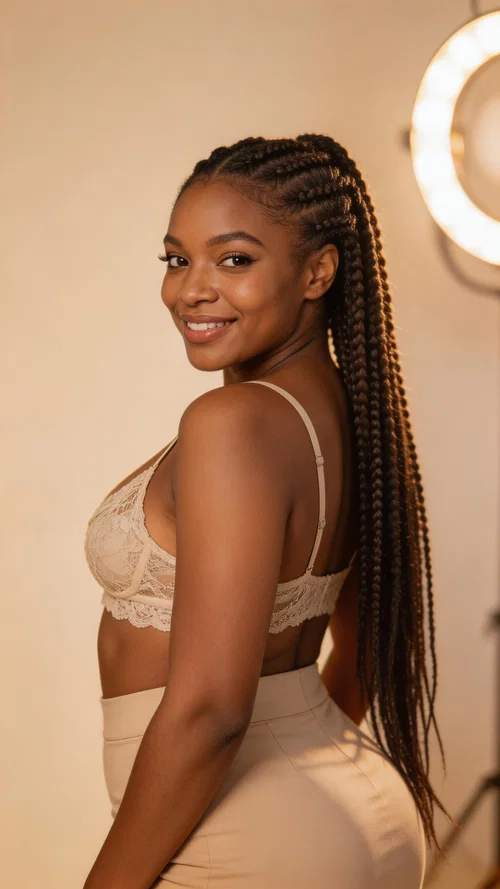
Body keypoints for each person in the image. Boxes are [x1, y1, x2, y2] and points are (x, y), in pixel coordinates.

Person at [83, 134, 450, 889]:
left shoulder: (232, 426)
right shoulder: (349, 417)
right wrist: (303, 796)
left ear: (318, 271)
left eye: (235, 259)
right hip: (349, 808)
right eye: (177, 258)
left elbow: (212, 709)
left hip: (248, 843)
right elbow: (356, 652)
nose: (191, 289)